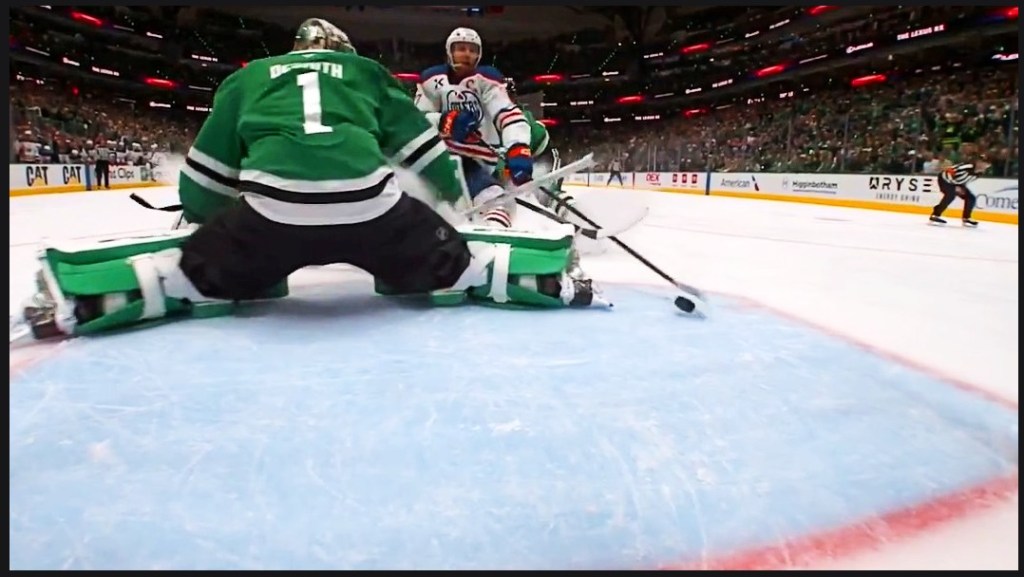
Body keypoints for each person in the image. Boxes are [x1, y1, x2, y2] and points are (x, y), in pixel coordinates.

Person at [14, 18, 607, 343]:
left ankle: (89, 297)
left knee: (189, 273)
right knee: (459, 265)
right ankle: (543, 277)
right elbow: (425, 152)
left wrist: (213, 224)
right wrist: (449, 214)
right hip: (373, 210)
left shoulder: (250, 77)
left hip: (272, 216)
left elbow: (202, 183)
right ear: (342, 50)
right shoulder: (367, 72)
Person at [413, 27, 533, 228]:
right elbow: (416, 121)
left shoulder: (487, 81)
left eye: (472, 50)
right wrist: (445, 121)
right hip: (441, 156)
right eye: (461, 48)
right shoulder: (432, 81)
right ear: (449, 51)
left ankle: (494, 226)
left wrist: (518, 147)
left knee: (495, 198)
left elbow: (508, 114)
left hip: (478, 160)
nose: (467, 54)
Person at [929, 156, 990, 226]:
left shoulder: (980, 173)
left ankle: (966, 218)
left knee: (971, 198)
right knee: (951, 195)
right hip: (945, 179)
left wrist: (961, 186)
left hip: (957, 183)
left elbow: (965, 179)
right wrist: (955, 185)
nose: (984, 165)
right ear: (977, 162)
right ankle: (935, 215)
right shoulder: (966, 167)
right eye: (982, 162)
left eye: (986, 164)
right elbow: (949, 171)